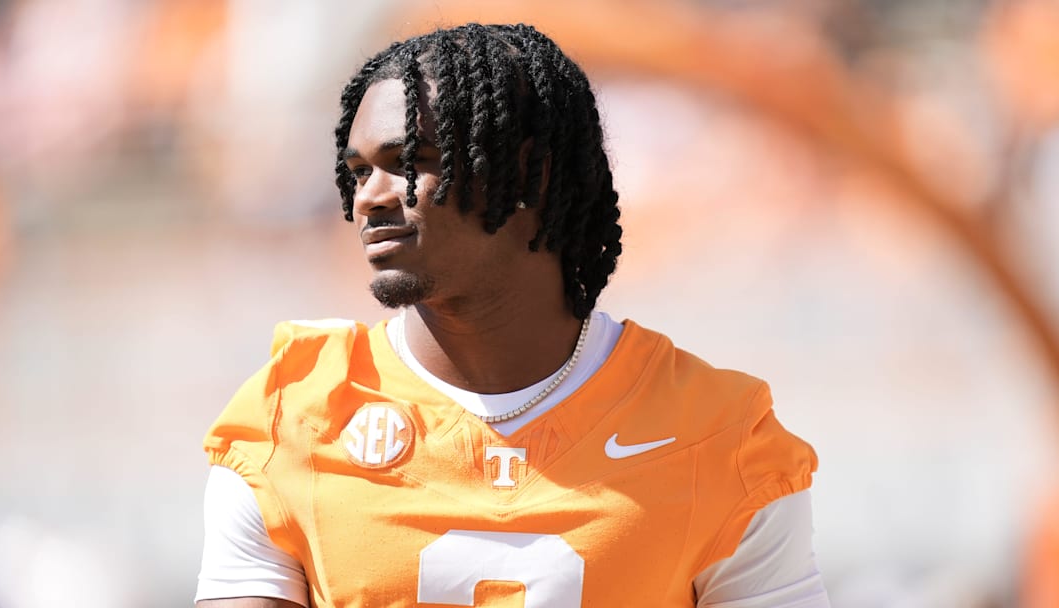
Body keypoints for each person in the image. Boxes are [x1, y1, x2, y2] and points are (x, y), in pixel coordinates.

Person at [195, 23, 829, 608]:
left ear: (530, 173)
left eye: (409, 162)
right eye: (359, 171)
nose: (370, 198)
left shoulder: (718, 435)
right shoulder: (293, 414)